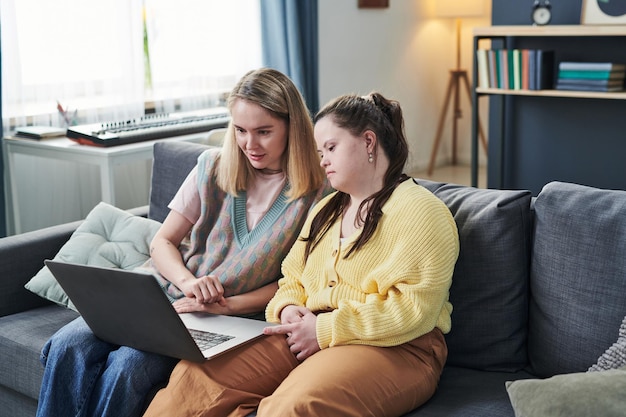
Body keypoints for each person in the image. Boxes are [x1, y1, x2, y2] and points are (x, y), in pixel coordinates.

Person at [35, 67, 331, 417]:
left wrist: (227, 305)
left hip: (223, 319)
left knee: (126, 367)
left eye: (264, 132)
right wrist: (189, 283)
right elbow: (162, 241)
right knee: (68, 345)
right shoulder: (212, 166)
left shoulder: (318, 193)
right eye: (240, 131)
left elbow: (300, 283)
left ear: (292, 127)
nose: (250, 144)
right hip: (160, 293)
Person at [143, 92, 460, 417]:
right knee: (194, 377)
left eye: (331, 148)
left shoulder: (421, 211)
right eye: (320, 151)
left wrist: (323, 331)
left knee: (294, 407)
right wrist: (290, 308)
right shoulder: (327, 210)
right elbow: (292, 278)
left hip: (396, 346)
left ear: (368, 142)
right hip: (307, 329)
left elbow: (414, 309)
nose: (322, 160)